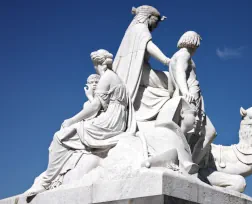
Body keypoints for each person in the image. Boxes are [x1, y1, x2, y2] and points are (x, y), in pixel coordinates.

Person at [25, 49, 135, 196]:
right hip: (116, 119)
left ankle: (45, 182)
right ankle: (54, 177)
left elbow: (96, 106)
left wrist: (71, 120)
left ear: (97, 64)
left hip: (109, 122)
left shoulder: (106, 77)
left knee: (60, 137)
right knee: (71, 134)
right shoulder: (114, 77)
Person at [113, 5, 171, 123]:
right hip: (141, 71)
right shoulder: (141, 29)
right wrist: (167, 61)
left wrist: (159, 19)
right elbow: (149, 46)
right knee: (170, 80)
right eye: (156, 21)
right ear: (148, 17)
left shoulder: (132, 30)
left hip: (139, 70)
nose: (156, 25)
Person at [169, 31, 217, 166]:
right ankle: (185, 161)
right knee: (197, 132)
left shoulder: (176, 55)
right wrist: (185, 92)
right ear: (194, 42)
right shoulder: (184, 54)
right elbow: (179, 72)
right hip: (191, 95)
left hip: (189, 95)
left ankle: (189, 162)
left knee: (197, 133)